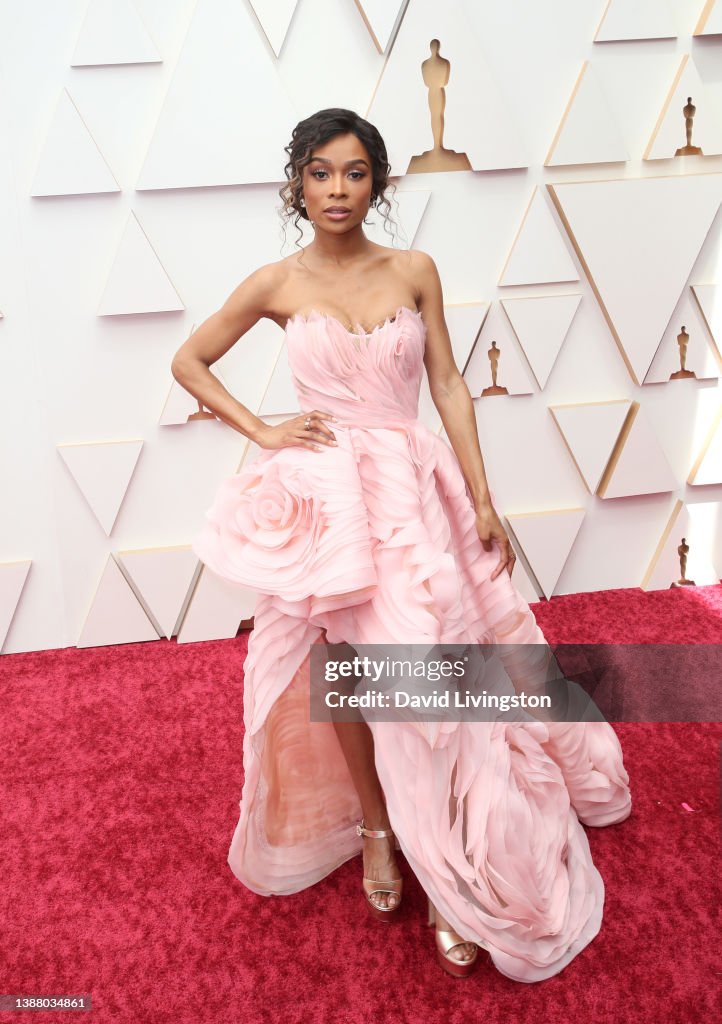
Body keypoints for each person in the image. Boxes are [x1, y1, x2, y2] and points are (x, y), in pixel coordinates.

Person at [171, 108, 631, 982]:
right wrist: (265, 432)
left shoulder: (415, 268)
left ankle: (452, 871)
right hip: (332, 503)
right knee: (345, 673)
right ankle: (382, 833)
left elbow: (450, 385)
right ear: (296, 183)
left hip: (416, 496)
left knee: (436, 681)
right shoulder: (275, 282)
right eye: (319, 173)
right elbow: (190, 362)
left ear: (378, 181)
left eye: (353, 173)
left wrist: (485, 496)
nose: (336, 190)